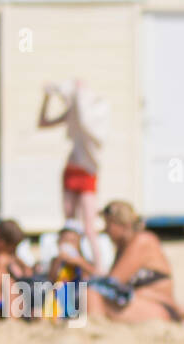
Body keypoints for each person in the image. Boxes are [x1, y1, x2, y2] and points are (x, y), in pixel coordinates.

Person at [38, 79, 108, 272]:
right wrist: (46, 97)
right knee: (69, 223)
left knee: (89, 227)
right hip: (72, 169)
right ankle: (67, 263)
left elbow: (87, 124)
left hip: (87, 172)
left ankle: (99, 268)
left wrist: (78, 94)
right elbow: (43, 122)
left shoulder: (93, 114)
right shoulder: (72, 114)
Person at [83, 201, 181, 323]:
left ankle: (90, 329)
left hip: (160, 309)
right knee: (84, 293)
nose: (105, 230)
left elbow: (113, 282)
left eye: (108, 225)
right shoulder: (123, 247)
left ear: (122, 224)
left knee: (90, 295)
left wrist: (81, 264)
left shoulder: (142, 241)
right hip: (143, 304)